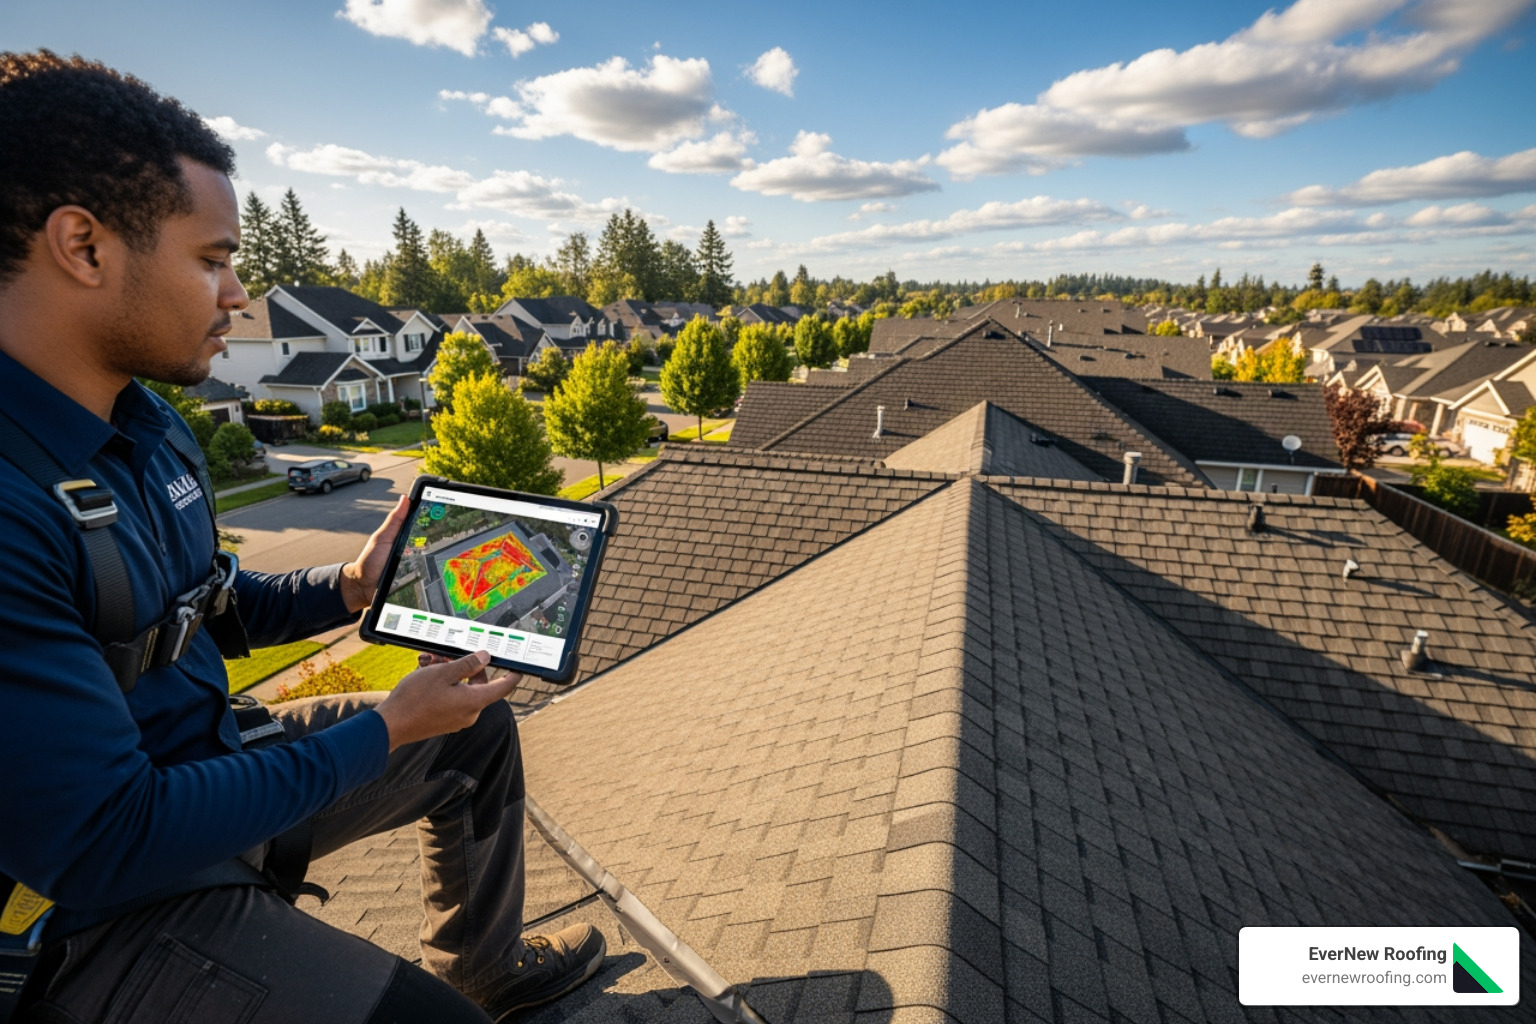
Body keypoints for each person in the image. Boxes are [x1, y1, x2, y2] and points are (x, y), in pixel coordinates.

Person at [0, 52, 604, 1023]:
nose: (238, 294)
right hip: (95, 899)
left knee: (476, 727)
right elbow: (102, 835)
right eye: (210, 259)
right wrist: (386, 726)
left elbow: (207, 609)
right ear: (84, 245)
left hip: (208, 761)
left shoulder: (146, 428)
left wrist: (351, 587)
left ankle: (483, 961)